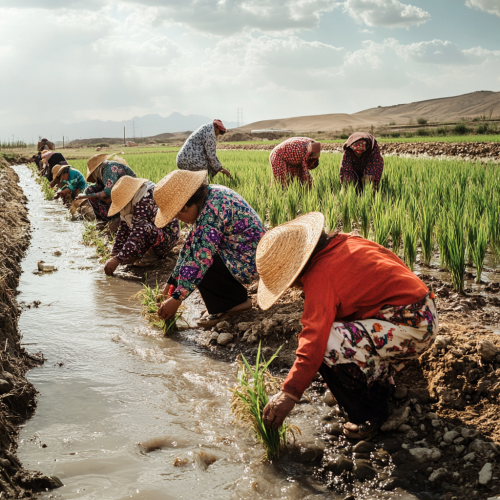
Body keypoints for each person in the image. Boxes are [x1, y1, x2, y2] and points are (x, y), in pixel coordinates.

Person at [257, 212, 438, 440]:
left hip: (412, 327)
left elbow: (313, 341)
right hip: (423, 312)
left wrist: (289, 393)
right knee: (337, 326)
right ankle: (380, 376)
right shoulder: (345, 242)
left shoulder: (320, 274)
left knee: (327, 342)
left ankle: (369, 414)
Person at [154, 170, 265, 328]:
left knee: (202, 263)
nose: (182, 222)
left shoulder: (210, 212)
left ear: (185, 207)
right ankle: (225, 303)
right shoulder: (210, 194)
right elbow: (188, 248)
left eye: (178, 217)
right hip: (242, 252)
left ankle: (236, 303)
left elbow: (200, 260)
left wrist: (176, 299)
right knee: (195, 252)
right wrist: (170, 286)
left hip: (250, 260)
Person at [103, 176, 180, 276]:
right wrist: (114, 254)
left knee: (143, 228)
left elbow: (140, 230)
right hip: (151, 233)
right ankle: (141, 253)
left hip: (166, 237)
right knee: (133, 230)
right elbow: (123, 229)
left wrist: (118, 259)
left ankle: (152, 255)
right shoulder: (129, 203)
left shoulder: (146, 197)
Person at [75, 154, 137, 225]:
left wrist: (87, 196)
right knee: (89, 190)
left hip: (126, 191)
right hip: (114, 190)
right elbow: (98, 186)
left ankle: (112, 216)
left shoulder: (109, 169)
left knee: (92, 195)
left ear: (96, 168)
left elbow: (108, 192)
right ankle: (102, 218)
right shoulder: (102, 171)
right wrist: (86, 194)